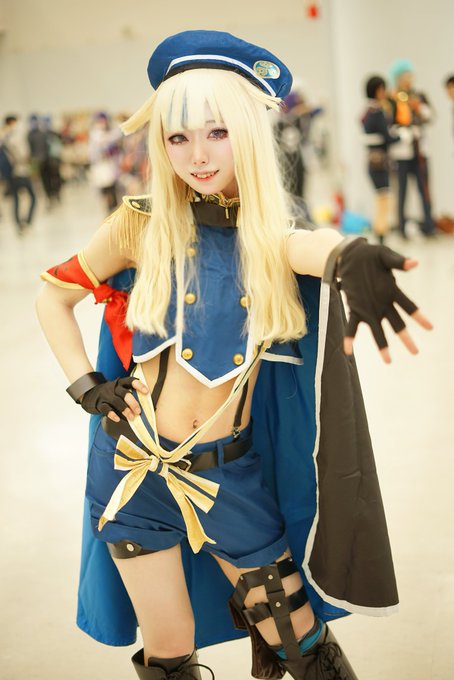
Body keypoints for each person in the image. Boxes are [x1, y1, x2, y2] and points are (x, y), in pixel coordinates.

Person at [36, 31, 432, 680]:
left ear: (247, 131)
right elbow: (54, 295)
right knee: (169, 654)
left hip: (227, 477)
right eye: (178, 137)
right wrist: (86, 385)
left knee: (301, 642)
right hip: (131, 471)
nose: (197, 155)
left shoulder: (270, 230)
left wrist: (349, 256)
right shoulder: (139, 224)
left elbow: (308, 247)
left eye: (216, 132)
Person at [388, 59, 435, 238]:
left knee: (425, 188)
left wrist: (420, 108)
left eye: (410, 76)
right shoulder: (392, 98)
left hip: (419, 150)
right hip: (401, 152)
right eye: (404, 76)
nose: (408, 79)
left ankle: (429, 226)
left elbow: (430, 116)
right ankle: (401, 227)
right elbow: (388, 124)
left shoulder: (419, 95)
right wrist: (403, 132)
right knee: (402, 190)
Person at [361, 75, 402, 244]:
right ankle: (380, 231)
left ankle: (381, 230)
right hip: (379, 161)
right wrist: (402, 136)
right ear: (378, 90)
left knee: (382, 197)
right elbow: (387, 137)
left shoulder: (367, 111)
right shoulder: (376, 112)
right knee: (384, 197)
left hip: (373, 159)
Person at [1, 115, 36, 234]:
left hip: (10, 174)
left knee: (16, 200)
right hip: (20, 171)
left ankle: (18, 225)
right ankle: (27, 222)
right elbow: (25, 155)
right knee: (32, 197)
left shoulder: (4, 138)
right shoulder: (15, 137)